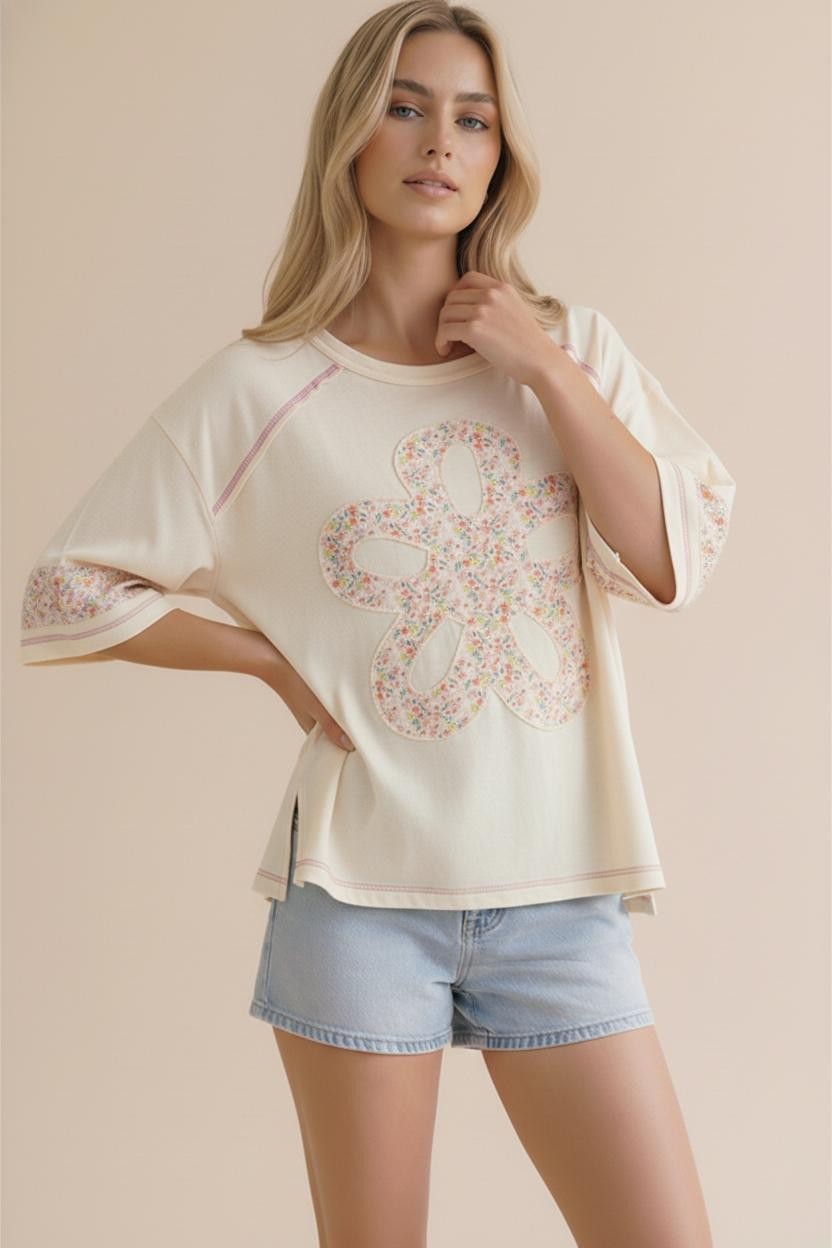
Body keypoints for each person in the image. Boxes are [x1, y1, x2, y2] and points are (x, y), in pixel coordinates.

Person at [19, 3, 736, 1244]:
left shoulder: (570, 350)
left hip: (558, 896)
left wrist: (543, 369)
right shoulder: (261, 388)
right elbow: (62, 592)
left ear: (501, 154)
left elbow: (671, 559)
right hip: (354, 907)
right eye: (405, 107)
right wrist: (263, 660)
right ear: (349, 134)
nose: (439, 142)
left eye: (473, 118)